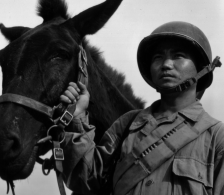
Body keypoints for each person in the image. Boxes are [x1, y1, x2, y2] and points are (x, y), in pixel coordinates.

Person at [58, 21, 224, 195]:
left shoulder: (216, 137)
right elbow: (86, 180)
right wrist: (77, 117)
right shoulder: (127, 124)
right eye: (158, 57)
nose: (166, 64)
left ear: (202, 68)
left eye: (178, 56)